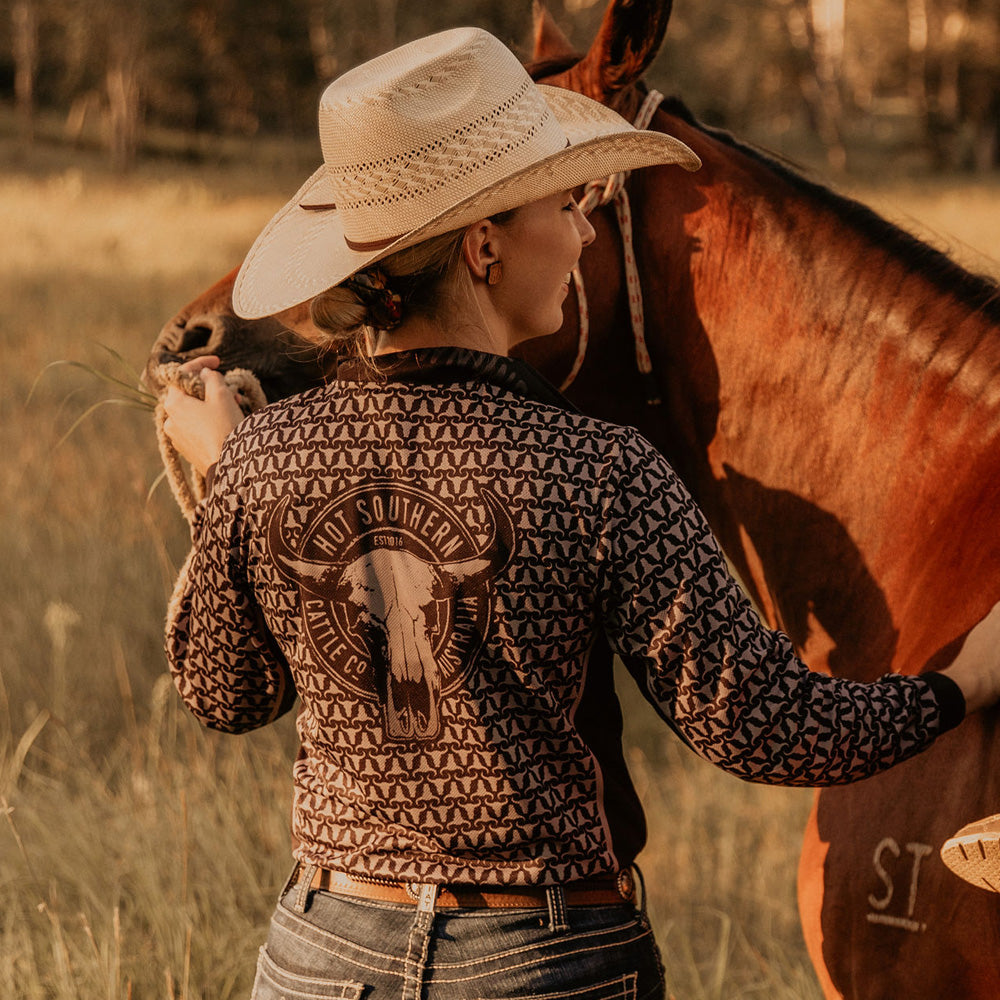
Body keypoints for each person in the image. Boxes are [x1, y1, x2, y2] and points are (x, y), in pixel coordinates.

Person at [161, 27, 1000, 1000]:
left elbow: (224, 696)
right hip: (539, 961)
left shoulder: (262, 461)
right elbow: (766, 729)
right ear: (484, 248)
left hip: (320, 952)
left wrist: (233, 489)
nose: (584, 233)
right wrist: (960, 682)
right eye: (564, 208)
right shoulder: (601, 472)